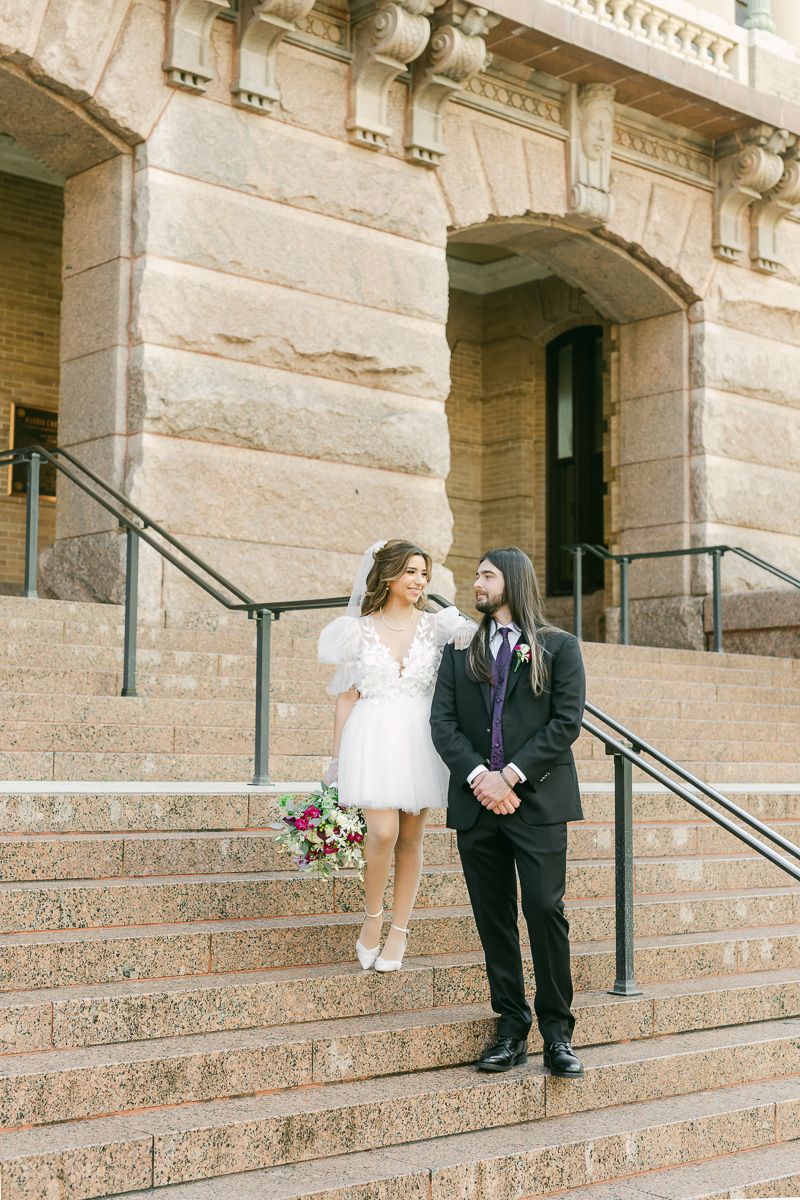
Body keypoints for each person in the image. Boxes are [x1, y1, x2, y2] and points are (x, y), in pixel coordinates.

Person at [430, 546, 586, 1078]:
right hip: (478, 806)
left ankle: (558, 1034)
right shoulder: (459, 650)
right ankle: (511, 1026)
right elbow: (442, 723)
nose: (477, 584)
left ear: (512, 582)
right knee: (493, 918)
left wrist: (511, 777)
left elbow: (565, 723)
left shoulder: (559, 647)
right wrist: (481, 780)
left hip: (537, 802)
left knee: (545, 910)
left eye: (487, 576)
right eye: (477, 576)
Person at [318, 539, 472, 973]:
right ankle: (372, 918)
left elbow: (475, 649)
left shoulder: (438, 625)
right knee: (382, 831)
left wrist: (463, 633)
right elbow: (347, 698)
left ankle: (400, 930)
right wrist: (336, 759)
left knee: (410, 837)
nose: (419, 581)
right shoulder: (358, 630)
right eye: (410, 572)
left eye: (424, 573)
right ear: (387, 575)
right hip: (373, 735)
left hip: (421, 738)